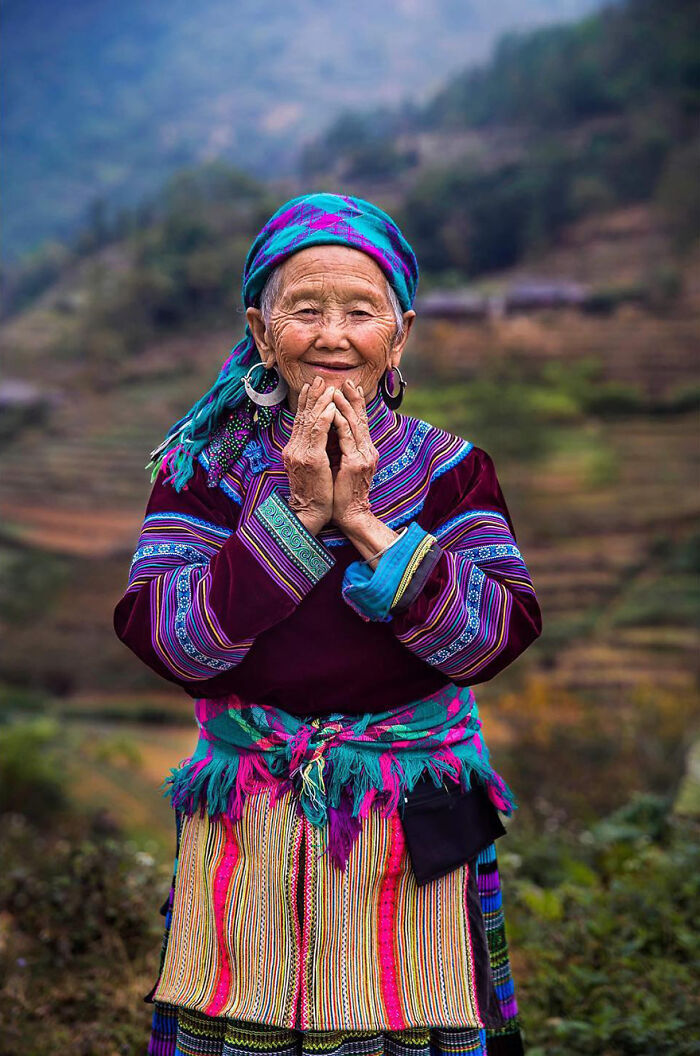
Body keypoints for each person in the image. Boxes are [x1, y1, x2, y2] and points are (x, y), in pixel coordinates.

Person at [113, 192, 542, 1056]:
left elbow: (495, 636)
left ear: (402, 333)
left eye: (361, 309)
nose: (334, 332)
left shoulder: (452, 469)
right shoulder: (207, 469)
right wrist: (297, 517)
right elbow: (166, 638)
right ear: (262, 332)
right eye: (304, 309)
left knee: (422, 1021)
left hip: (412, 806)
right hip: (254, 815)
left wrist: (364, 523)